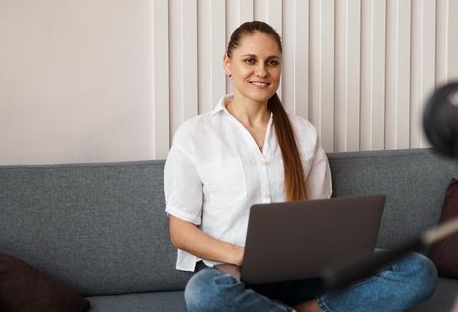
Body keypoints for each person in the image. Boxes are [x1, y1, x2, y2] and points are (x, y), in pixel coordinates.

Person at [164, 20, 437, 312]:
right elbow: (180, 230)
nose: (261, 71)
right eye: (249, 61)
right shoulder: (194, 135)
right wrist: (241, 255)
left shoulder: (304, 133)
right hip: (235, 276)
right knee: (203, 293)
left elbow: (319, 214)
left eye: (272, 62)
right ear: (227, 64)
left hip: (303, 273)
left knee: (417, 269)